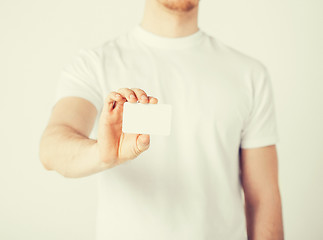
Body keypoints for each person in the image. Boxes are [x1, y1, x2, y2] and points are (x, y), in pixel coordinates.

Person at [39, 0, 284, 239]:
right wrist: (101, 153)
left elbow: (263, 198)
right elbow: (52, 146)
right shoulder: (94, 64)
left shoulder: (249, 75)